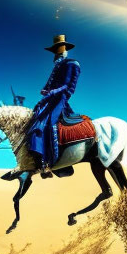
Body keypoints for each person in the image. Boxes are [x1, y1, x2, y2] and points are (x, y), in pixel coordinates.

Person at [27, 35, 81, 174]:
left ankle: (53, 161)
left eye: (58, 49)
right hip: (51, 99)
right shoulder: (57, 66)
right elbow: (50, 83)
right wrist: (45, 91)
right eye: (55, 50)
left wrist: (52, 92)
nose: (57, 53)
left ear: (63, 50)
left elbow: (66, 85)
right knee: (36, 121)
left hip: (60, 99)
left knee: (50, 124)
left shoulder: (71, 63)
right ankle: (38, 158)